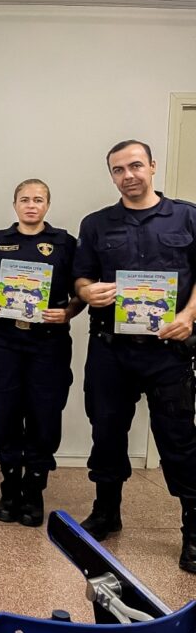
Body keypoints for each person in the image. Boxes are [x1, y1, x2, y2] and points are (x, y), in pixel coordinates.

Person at [74, 140, 196, 573]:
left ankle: (193, 529)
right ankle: (107, 510)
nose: (129, 174)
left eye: (136, 166)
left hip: (169, 351)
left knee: (179, 440)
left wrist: (189, 314)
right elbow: (81, 279)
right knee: (106, 433)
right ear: (112, 176)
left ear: (153, 167)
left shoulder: (188, 216)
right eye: (119, 169)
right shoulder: (96, 224)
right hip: (111, 351)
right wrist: (88, 291)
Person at [0, 179, 83, 527]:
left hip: (48, 343)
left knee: (44, 414)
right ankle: (9, 488)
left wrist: (68, 312)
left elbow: (80, 292)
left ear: (47, 204)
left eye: (38, 199)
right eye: (25, 199)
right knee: (4, 411)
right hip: (4, 341)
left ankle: (34, 489)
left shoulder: (65, 244)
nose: (31, 205)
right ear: (15, 204)